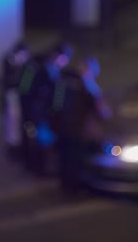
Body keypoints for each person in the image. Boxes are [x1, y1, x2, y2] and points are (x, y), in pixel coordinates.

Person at [52, 56, 111, 193]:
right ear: (88, 71)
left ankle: (65, 184)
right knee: (76, 159)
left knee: (64, 157)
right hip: (77, 130)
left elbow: (55, 103)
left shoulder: (63, 80)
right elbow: (102, 111)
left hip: (62, 126)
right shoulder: (88, 86)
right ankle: (75, 188)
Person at [19, 43, 74, 176]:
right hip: (37, 114)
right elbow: (27, 92)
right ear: (56, 56)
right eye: (63, 59)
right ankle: (37, 169)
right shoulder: (37, 69)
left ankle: (41, 167)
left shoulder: (54, 71)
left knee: (44, 141)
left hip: (45, 113)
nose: (64, 63)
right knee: (38, 141)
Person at [1, 42, 31, 162]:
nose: (24, 59)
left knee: (17, 124)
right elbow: (9, 82)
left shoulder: (24, 65)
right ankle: (13, 149)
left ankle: (17, 147)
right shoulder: (9, 63)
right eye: (22, 56)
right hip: (11, 98)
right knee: (12, 124)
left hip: (18, 98)